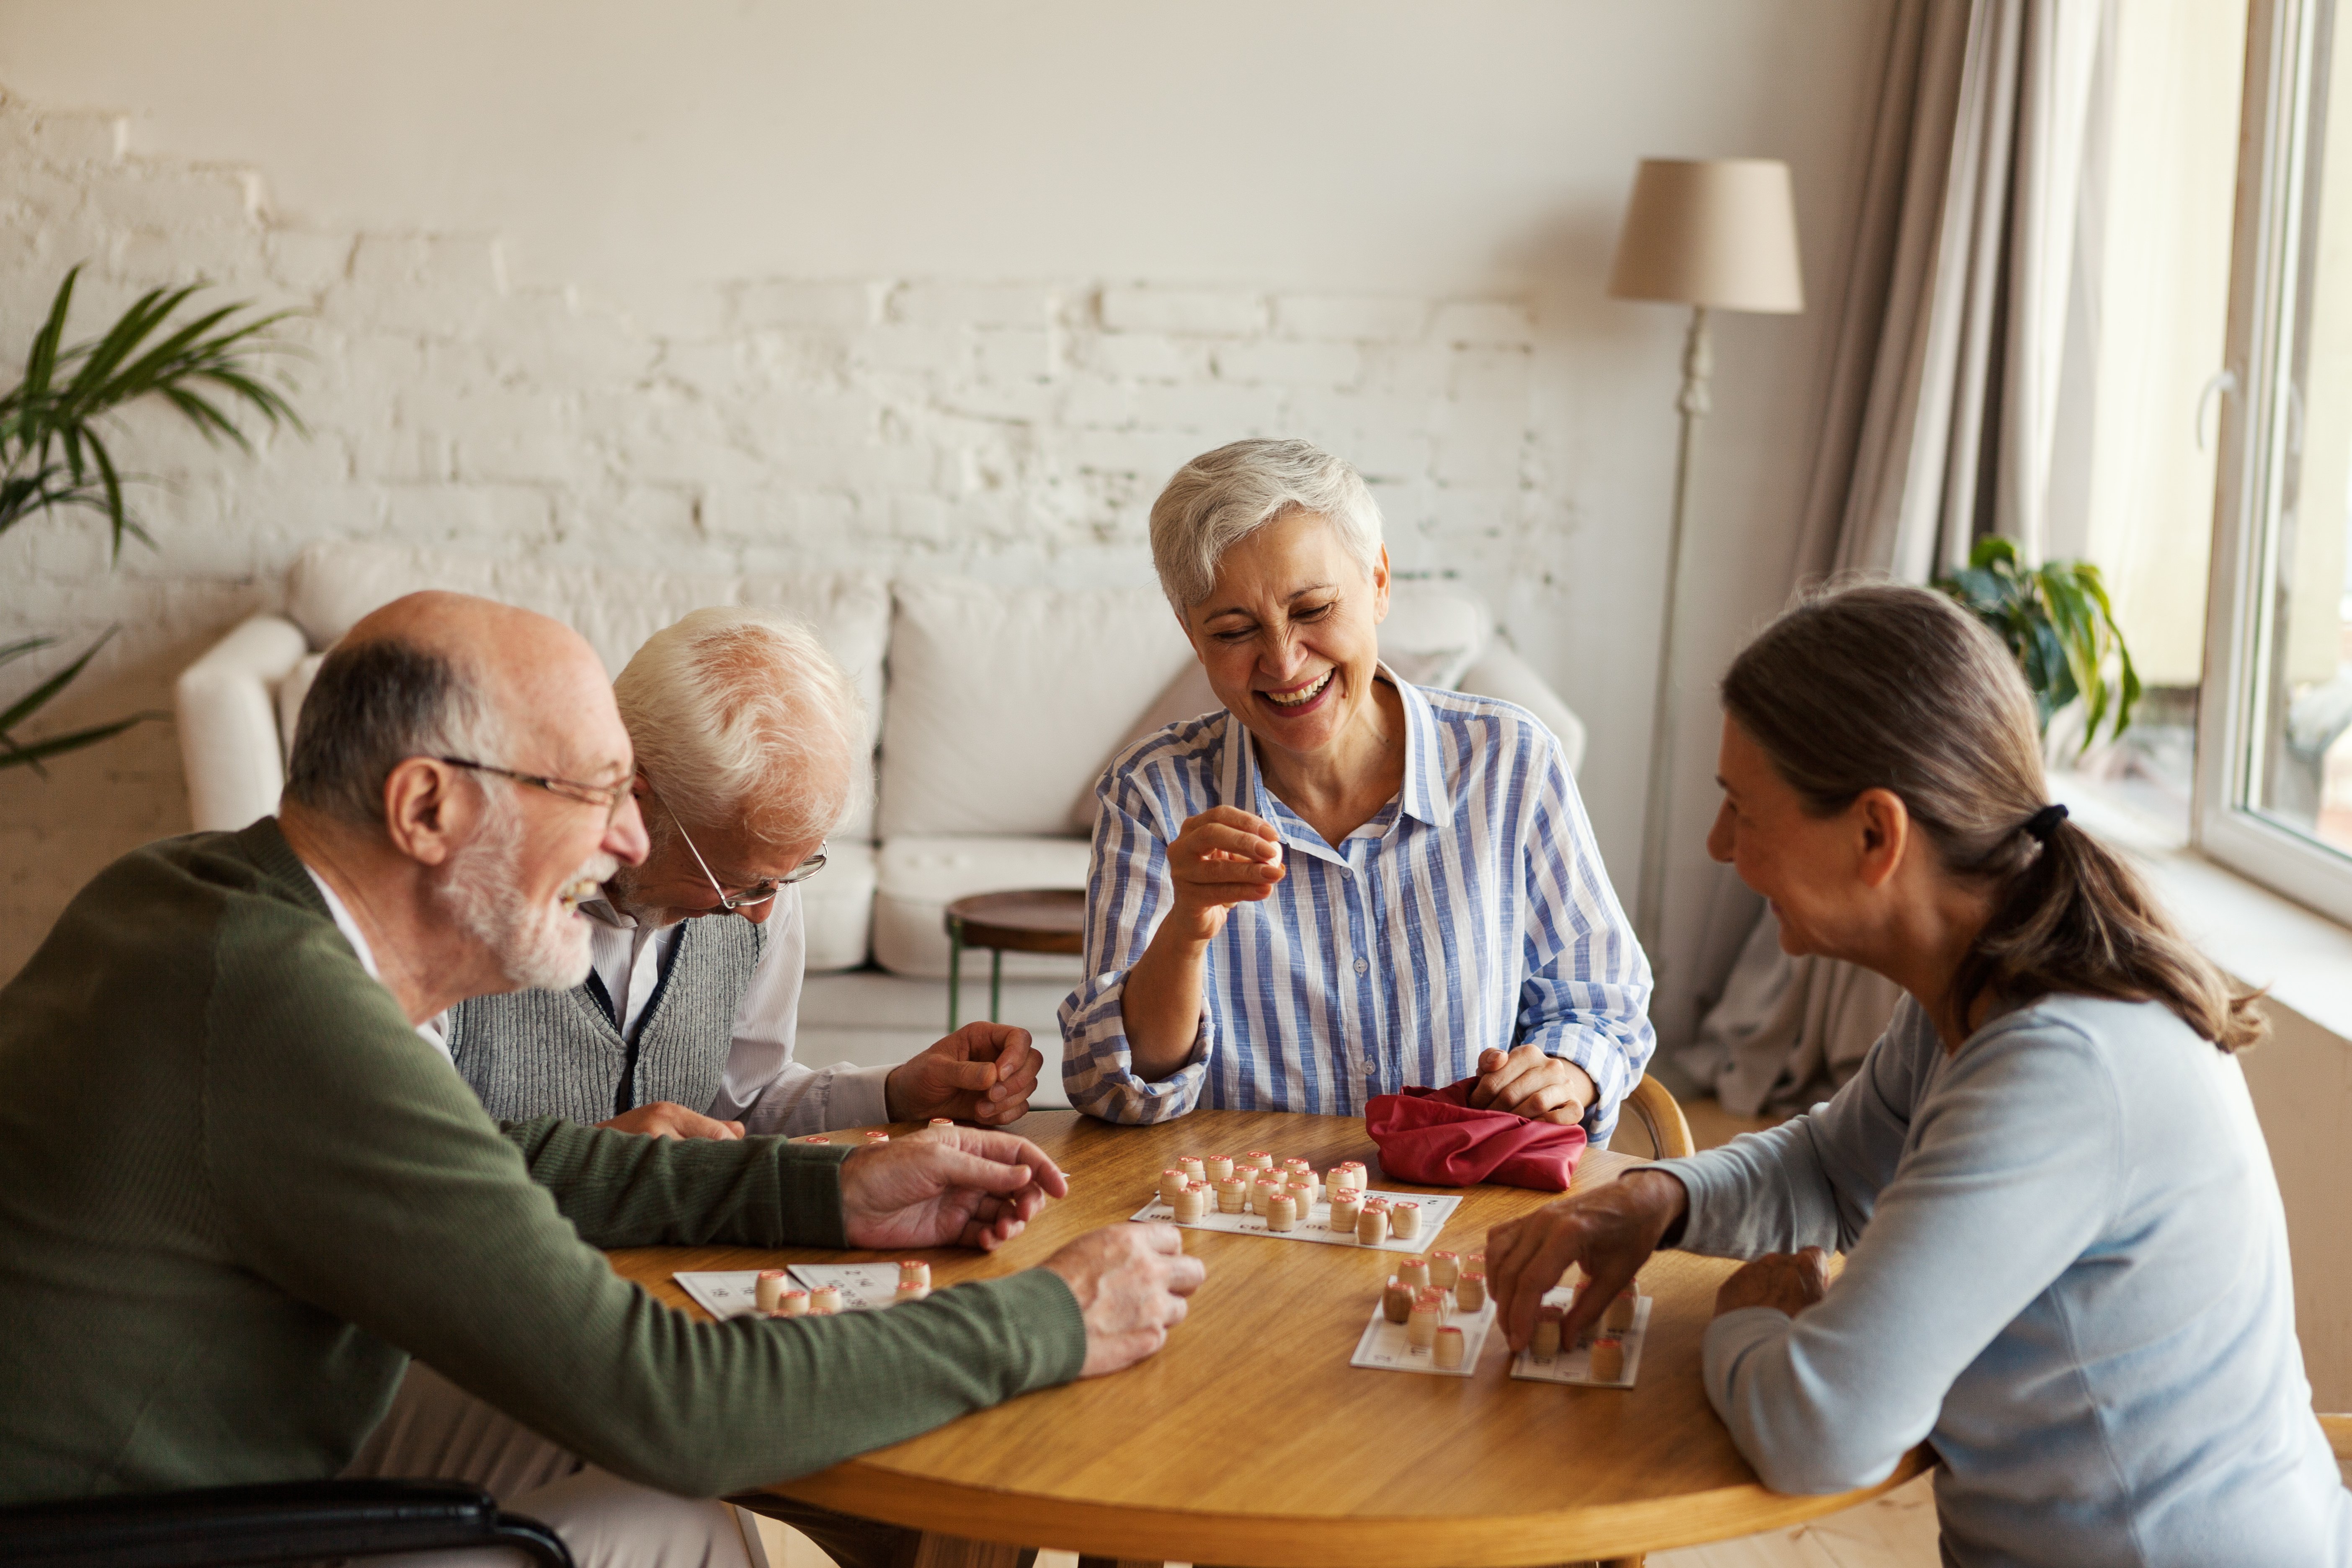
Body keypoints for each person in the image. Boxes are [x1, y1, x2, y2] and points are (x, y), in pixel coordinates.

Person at [0, 591, 1203, 1568]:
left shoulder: (196, 894)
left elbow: (495, 1161)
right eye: (588, 793)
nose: (625, 843)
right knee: (673, 1519)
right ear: (427, 807)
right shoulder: (287, 1010)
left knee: (699, 1486)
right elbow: (670, 1400)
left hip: (234, 1411)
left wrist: (820, 1193)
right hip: (129, 1528)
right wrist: (1048, 1315)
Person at [1485, 584, 2350, 1568]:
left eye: (1741, 808)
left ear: (1875, 835)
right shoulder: (1980, 983)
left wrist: (1749, 1319)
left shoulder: (2059, 1067)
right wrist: (1652, 1199)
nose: (1720, 846)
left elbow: (1823, 1431)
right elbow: (1829, 1169)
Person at [1062, 438, 1653, 1140]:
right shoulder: (1151, 793)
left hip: (1462, 1208)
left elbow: (1602, 1005)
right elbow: (1113, 1086)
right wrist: (1187, 929)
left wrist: (1564, 1071)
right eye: (1234, 630)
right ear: (1194, 637)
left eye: (1311, 610)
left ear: (1378, 582)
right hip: (1245, 1224)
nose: (1283, 663)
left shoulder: (1510, 761)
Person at [441, 606, 1042, 1141]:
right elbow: (394, 1160)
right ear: (634, 797)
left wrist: (896, 1094)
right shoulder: (454, 899)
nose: (760, 911)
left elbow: (744, 1103)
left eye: (789, 875)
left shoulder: (764, 876)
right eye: (738, 883)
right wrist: (599, 1156)